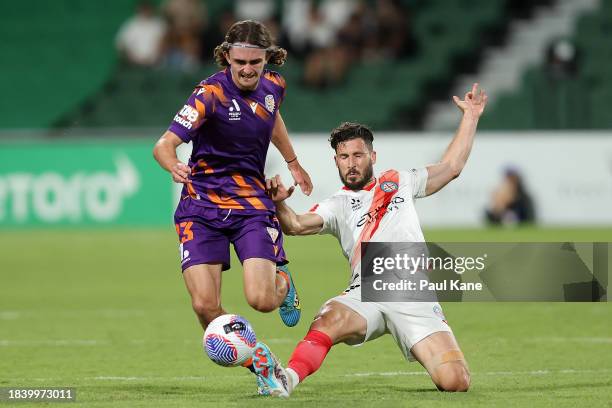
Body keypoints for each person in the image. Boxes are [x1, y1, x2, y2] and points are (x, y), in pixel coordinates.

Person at [253, 83, 488, 396]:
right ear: (336, 161)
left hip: (411, 293)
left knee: (455, 381)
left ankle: (419, 342)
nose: (351, 163)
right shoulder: (336, 204)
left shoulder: (399, 181)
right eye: (344, 156)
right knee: (328, 319)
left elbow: (451, 167)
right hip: (367, 290)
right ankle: (284, 380)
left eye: (358, 155)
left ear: (372, 155)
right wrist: (279, 202)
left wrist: (470, 116)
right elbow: (295, 224)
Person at [152, 19, 312, 374]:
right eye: (240, 62)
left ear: (267, 59)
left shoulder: (274, 86)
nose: (247, 69)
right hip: (201, 207)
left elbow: (272, 116)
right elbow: (163, 144)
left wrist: (293, 162)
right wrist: (173, 164)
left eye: (255, 63)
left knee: (262, 300)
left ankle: (282, 283)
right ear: (227, 57)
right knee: (205, 306)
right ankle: (262, 366)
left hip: (251, 205)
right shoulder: (208, 94)